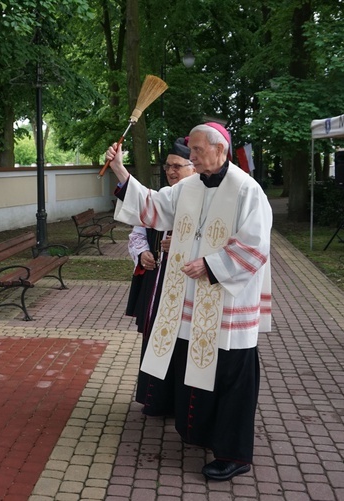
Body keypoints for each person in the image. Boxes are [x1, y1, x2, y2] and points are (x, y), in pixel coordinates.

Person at [105, 122, 272, 481]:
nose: (191, 156)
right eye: (190, 150)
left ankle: (233, 454)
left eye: (196, 150)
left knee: (229, 379)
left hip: (228, 303)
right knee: (193, 367)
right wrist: (120, 169)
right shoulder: (189, 187)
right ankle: (199, 433)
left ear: (220, 149)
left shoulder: (247, 190)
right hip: (189, 300)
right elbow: (151, 207)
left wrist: (211, 265)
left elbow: (256, 246)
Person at [125, 137, 195, 417]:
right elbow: (137, 232)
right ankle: (154, 399)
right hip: (158, 282)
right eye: (168, 166)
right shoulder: (160, 197)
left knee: (181, 344)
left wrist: (182, 243)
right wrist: (142, 253)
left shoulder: (201, 200)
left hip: (188, 285)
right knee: (156, 337)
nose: (171, 171)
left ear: (194, 167)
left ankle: (180, 404)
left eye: (178, 165)